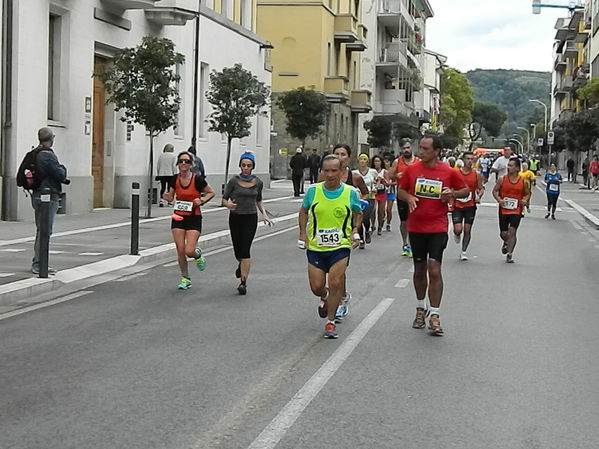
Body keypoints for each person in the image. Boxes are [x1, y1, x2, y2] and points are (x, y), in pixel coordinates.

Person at [397, 135, 469, 336]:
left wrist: (451, 194)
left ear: (436, 151)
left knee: (434, 269)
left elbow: (465, 190)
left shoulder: (448, 171)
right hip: (416, 227)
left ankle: (435, 314)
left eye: (426, 148)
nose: (421, 151)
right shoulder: (412, 170)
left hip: (437, 227)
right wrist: (409, 197)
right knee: (419, 270)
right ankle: (421, 308)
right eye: (420, 148)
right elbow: (400, 191)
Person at [298, 154, 363, 339]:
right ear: (322, 171)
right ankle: (326, 298)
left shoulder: (350, 192)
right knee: (317, 287)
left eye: (334, 170)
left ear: (341, 171)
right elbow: (303, 211)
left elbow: (358, 213)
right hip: (316, 247)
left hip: (340, 246)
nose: (330, 174)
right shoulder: (314, 191)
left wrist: (355, 232)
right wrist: (303, 233)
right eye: (326, 170)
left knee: (335, 282)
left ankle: (330, 322)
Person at [163, 151, 215, 289]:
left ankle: (197, 255)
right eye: (181, 161)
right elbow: (171, 196)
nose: (183, 164)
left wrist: (202, 200)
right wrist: (167, 197)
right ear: (178, 164)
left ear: (191, 164)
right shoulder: (174, 179)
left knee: (189, 250)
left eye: (186, 161)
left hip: (194, 217)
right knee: (180, 250)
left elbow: (211, 192)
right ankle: (185, 278)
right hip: (178, 217)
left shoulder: (197, 179)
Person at [222, 152, 272, 295]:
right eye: (243, 165)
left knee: (245, 249)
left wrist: (264, 215)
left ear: (252, 167)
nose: (245, 168)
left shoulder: (258, 182)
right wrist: (228, 205)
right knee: (238, 250)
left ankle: (243, 283)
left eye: (248, 166)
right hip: (236, 217)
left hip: (250, 218)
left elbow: (259, 200)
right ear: (240, 166)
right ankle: (241, 264)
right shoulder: (233, 181)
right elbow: (224, 199)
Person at [30, 127, 68, 275]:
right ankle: (39, 264)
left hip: (36, 194)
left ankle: (38, 261)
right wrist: (63, 169)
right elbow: (59, 174)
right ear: (50, 139)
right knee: (45, 231)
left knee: (41, 230)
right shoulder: (48, 155)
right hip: (48, 196)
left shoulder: (35, 153)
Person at [492, 157, 530, 264]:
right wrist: (499, 200)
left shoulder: (523, 182)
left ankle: (510, 254)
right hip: (503, 210)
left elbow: (527, 193)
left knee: (512, 231)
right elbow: (495, 191)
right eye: (508, 165)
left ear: (517, 168)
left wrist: (525, 200)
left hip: (516, 210)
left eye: (511, 165)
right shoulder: (502, 179)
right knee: (504, 233)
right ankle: (505, 241)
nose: (508, 167)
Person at [452, 151, 484, 261]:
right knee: (458, 229)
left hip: (470, 205)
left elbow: (481, 188)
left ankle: (463, 251)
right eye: (468, 159)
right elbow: (451, 186)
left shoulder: (476, 174)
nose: (470, 161)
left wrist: (479, 195)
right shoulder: (456, 173)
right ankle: (456, 234)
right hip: (457, 204)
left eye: (472, 159)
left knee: (467, 229)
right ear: (463, 160)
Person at [391, 141, 420, 257]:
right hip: (402, 195)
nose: (406, 150)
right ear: (401, 150)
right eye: (404, 148)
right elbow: (389, 175)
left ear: (412, 148)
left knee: (414, 220)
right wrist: (396, 176)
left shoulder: (418, 162)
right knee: (404, 221)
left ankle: (413, 244)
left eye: (408, 147)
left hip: (415, 195)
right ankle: (405, 243)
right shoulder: (397, 162)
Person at [353, 154, 377, 247]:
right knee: (358, 218)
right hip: (357, 197)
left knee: (366, 218)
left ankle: (367, 230)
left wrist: (375, 187)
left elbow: (377, 180)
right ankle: (361, 238)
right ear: (358, 161)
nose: (362, 161)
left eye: (364, 159)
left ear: (367, 161)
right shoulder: (354, 173)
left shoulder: (372, 171)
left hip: (369, 197)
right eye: (361, 159)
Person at [371, 155, 389, 236]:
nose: (376, 163)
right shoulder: (371, 171)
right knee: (373, 210)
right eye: (375, 161)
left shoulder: (384, 171)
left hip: (382, 192)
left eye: (378, 161)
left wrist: (383, 181)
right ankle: (373, 225)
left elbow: (388, 183)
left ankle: (380, 227)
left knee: (380, 211)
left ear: (381, 162)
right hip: (374, 192)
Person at [383, 156, 396, 232]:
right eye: (384, 161)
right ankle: (382, 219)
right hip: (383, 192)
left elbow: (397, 181)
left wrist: (391, 183)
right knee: (382, 210)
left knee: (389, 209)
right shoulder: (382, 171)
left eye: (387, 161)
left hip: (391, 192)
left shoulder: (393, 171)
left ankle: (388, 223)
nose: (386, 163)